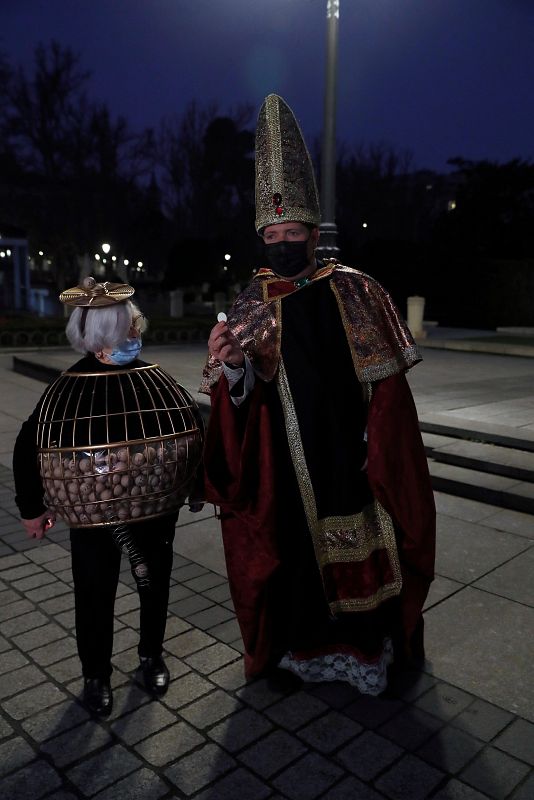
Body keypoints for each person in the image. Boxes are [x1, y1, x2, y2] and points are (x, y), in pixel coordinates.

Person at [200, 94, 436, 696]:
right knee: (299, 556)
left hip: (347, 456)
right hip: (285, 462)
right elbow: (246, 396)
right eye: (271, 234)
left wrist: (374, 445)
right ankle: (302, 647)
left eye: (292, 231)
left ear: (312, 231)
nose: (281, 243)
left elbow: (387, 389)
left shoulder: (354, 291)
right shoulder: (252, 300)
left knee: (356, 547)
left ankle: (366, 649)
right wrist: (231, 368)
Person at [13, 277, 203, 717]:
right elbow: (30, 445)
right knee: (94, 591)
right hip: (93, 515)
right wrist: (31, 509)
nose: (132, 338)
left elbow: (189, 432)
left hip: (153, 509)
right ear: (96, 338)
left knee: (154, 581)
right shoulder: (67, 388)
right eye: (123, 332)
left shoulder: (154, 382)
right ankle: (95, 673)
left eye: (134, 328)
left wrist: (195, 484)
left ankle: (150, 654)